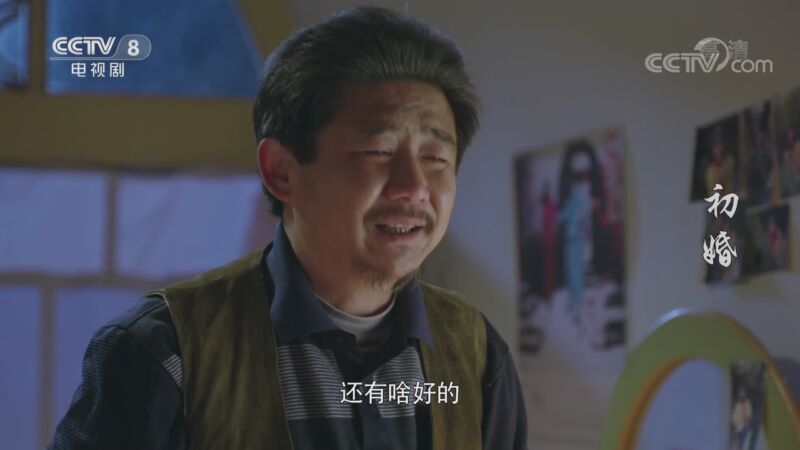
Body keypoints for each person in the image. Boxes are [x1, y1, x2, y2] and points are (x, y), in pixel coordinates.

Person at [48, 6, 528, 450]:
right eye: (378, 151)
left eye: (436, 158)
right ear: (281, 171)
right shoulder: (165, 351)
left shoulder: (476, 355)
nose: (415, 187)